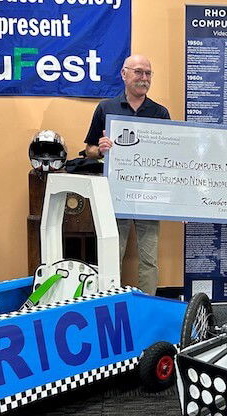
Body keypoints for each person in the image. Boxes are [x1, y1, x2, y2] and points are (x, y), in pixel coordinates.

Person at [84, 54, 170, 295]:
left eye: (148, 73)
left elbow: (170, 155)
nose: (144, 78)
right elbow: (89, 149)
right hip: (115, 194)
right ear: (124, 74)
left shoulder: (160, 113)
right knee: (113, 255)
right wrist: (99, 149)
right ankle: (111, 303)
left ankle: (148, 305)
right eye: (138, 72)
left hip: (149, 196)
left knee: (149, 259)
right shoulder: (106, 108)